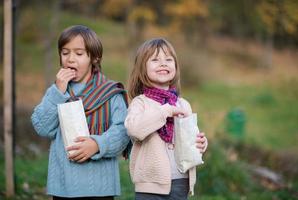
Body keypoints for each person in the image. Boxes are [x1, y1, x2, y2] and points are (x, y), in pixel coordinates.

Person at [31, 25, 130, 199]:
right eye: (65, 53)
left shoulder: (110, 93)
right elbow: (42, 127)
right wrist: (57, 92)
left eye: (79, 53)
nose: (70, 59)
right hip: (63, 187)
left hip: (101, 188)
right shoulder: (58, 92)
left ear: (94, 57)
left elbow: (123, 131)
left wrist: (97, 144)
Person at [125, 38, 208, 200]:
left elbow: (191, 137)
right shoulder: (140, 103)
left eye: (168, 60)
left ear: (175, 67)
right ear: (143, 68)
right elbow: (134, 130)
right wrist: (165, 111)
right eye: (155, 60)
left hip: (181, 181)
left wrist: (201, 144)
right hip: (150, 186)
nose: (163, 64)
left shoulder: (183, 104)